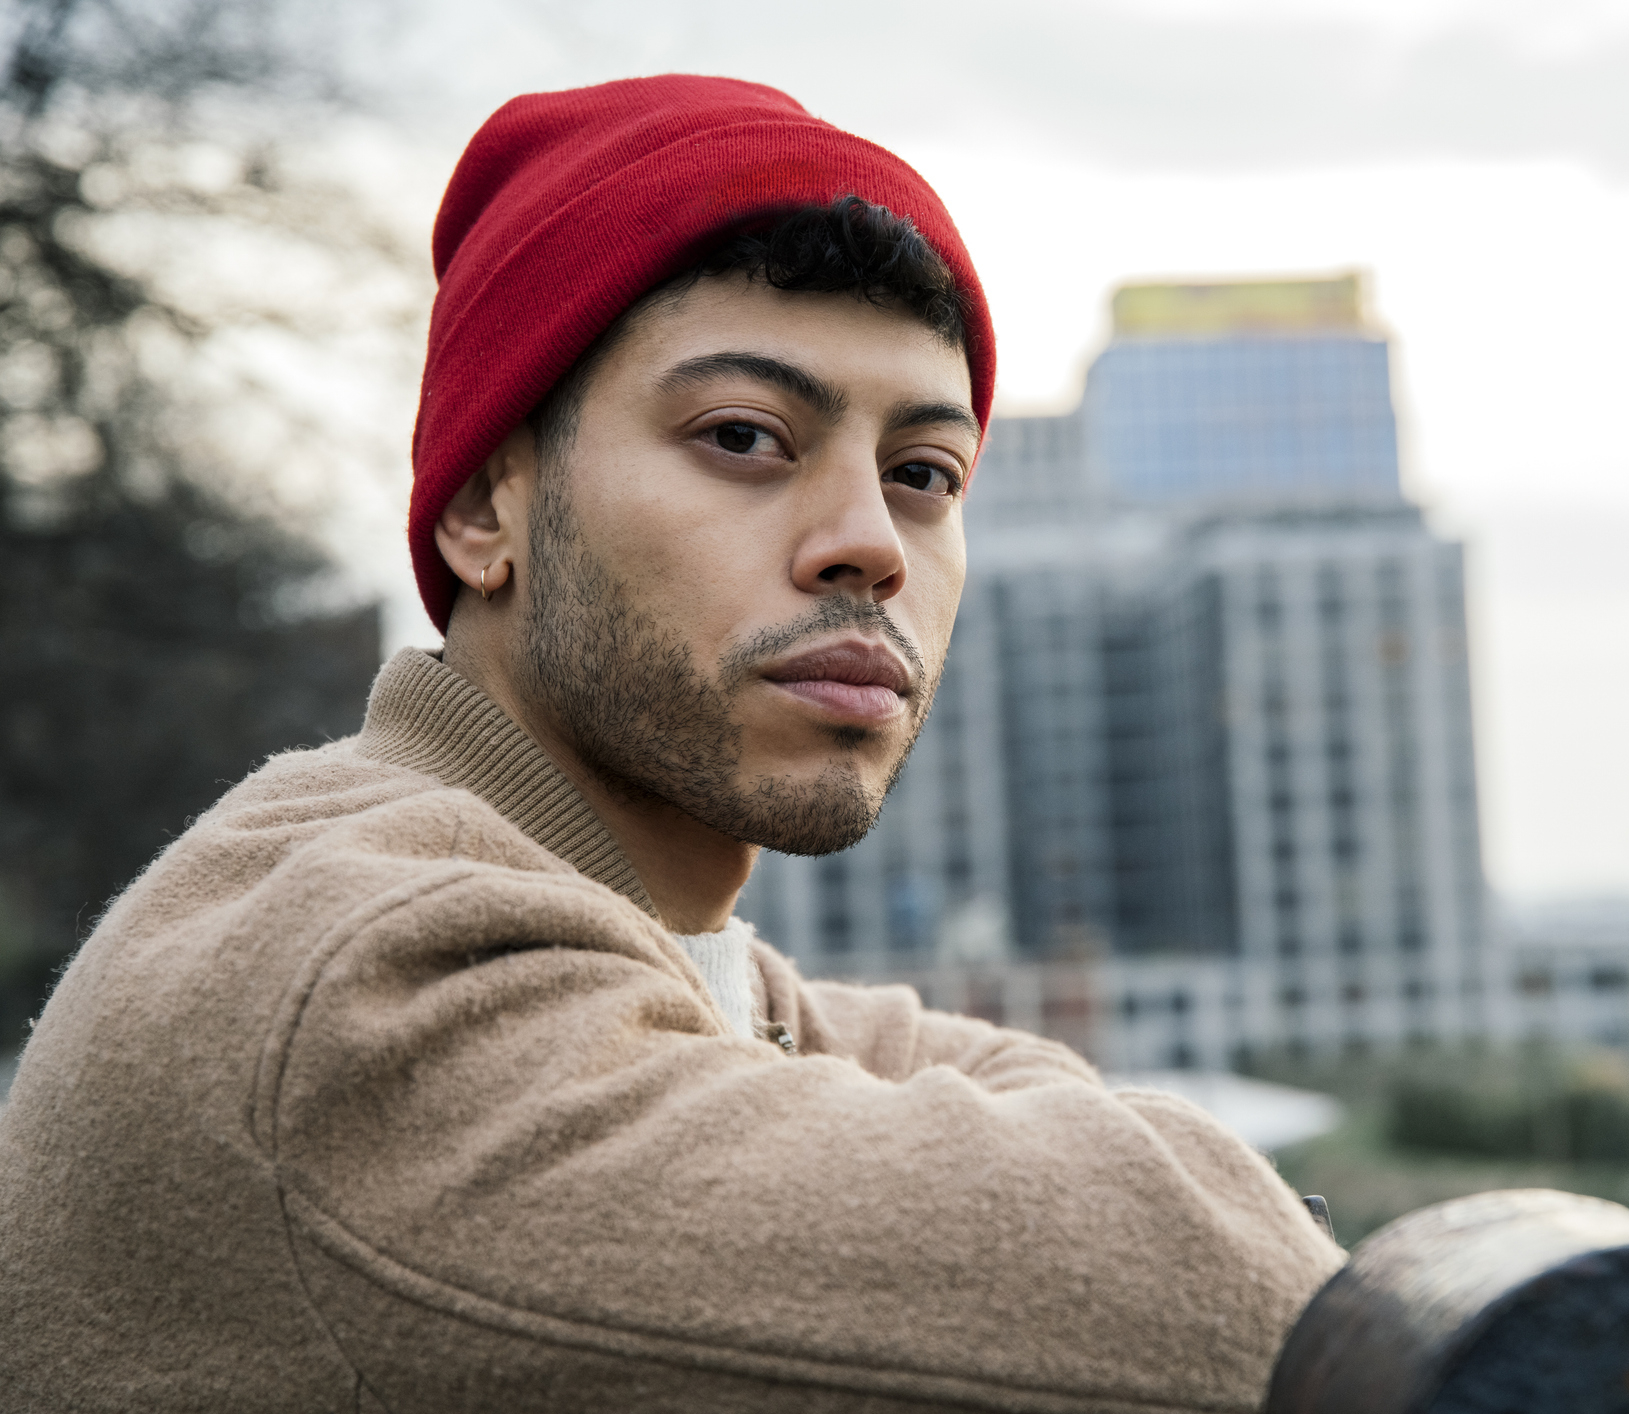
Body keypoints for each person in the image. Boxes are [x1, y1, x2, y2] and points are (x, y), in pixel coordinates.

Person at [0, 75, 1344, 1411]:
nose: (870, 542)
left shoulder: (670, 968)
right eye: (745, 437)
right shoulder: (353, 966)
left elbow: (972, 1087)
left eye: (923, 473)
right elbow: (1202, 1293)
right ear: (482, 508)